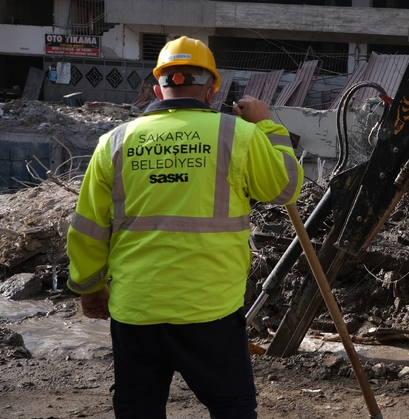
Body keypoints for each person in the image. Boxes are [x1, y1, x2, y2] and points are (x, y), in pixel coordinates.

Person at [66, 36, 303, 418]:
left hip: (136, 308)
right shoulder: (237, 134)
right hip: (209, 308)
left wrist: (90, 286)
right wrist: (268, 127)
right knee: (232, 408)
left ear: (159, 88)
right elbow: (285, 188)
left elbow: (88, 228)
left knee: (137, 408)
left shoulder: (114, 142)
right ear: (211, 90)